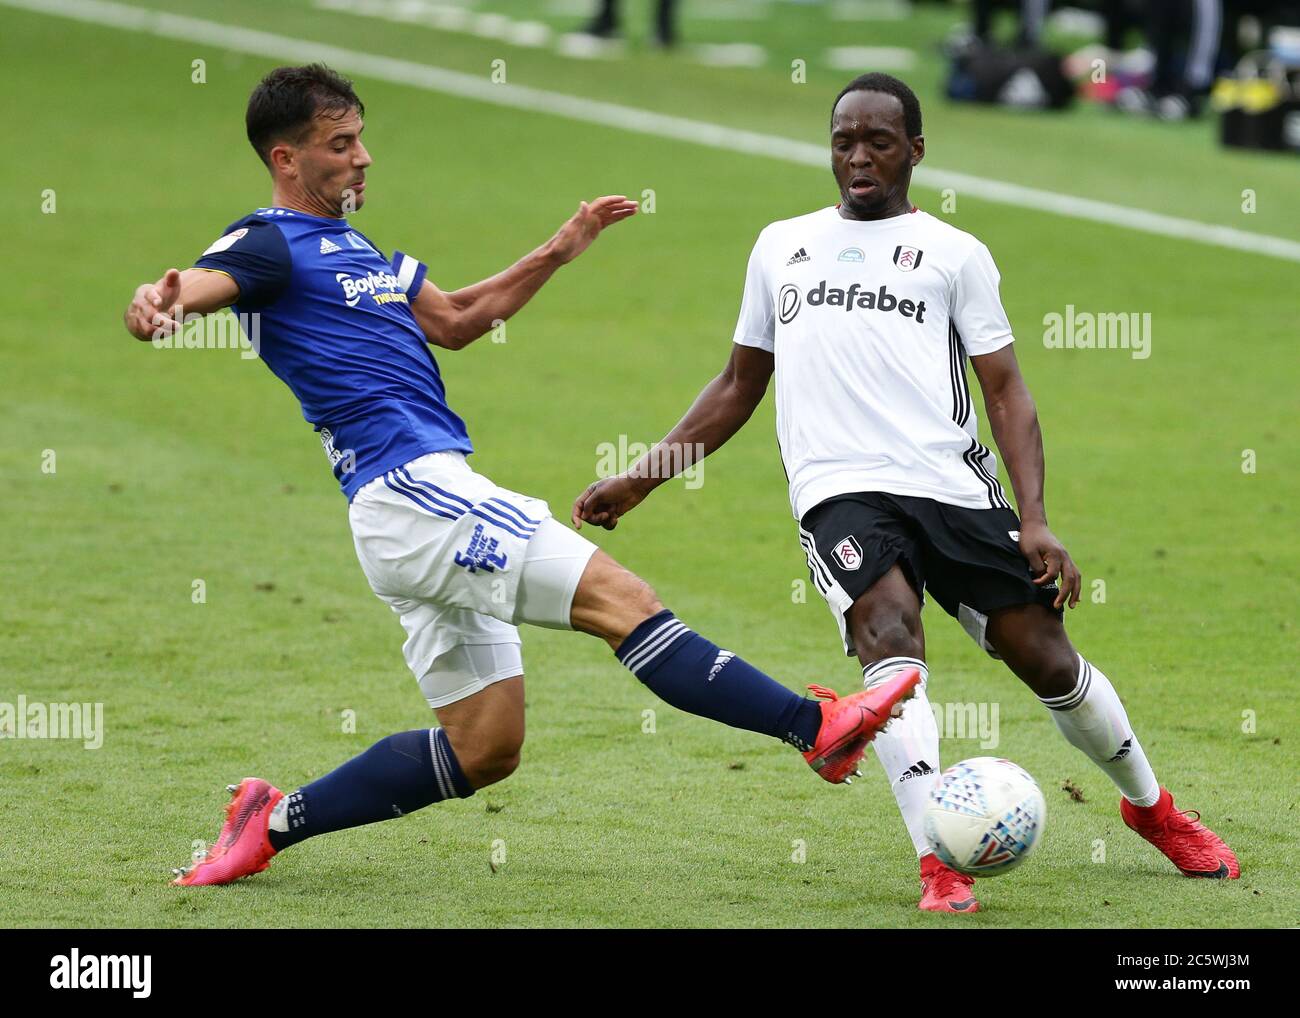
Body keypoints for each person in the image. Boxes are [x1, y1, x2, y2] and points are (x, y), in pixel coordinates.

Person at [122, 64, 919, 887]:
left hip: (404, 514)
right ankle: (812, 727)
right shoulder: (266, 242)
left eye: (361, 138)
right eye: (341, 143)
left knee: (483, 749)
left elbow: (460, 320)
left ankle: (271, 822)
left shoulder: (358, 248)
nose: (363, 158)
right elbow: (201, 284)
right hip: (414, 490)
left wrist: (559, 250)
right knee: (625, 602)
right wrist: (161, 302)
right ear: (286, 159)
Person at [572, 72, 1240, 914]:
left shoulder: (956, 255)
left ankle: (1153, 809)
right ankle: (939, 860)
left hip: (951, 487)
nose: (858, 157)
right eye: (843, 140)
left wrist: (1034, 520)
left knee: (1047, 659)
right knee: (889, 640)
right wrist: (644, 475)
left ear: (915, 151)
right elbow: (740, 382)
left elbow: (1006, 391)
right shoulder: (781, 245)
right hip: (841, 492)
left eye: (878, 141)